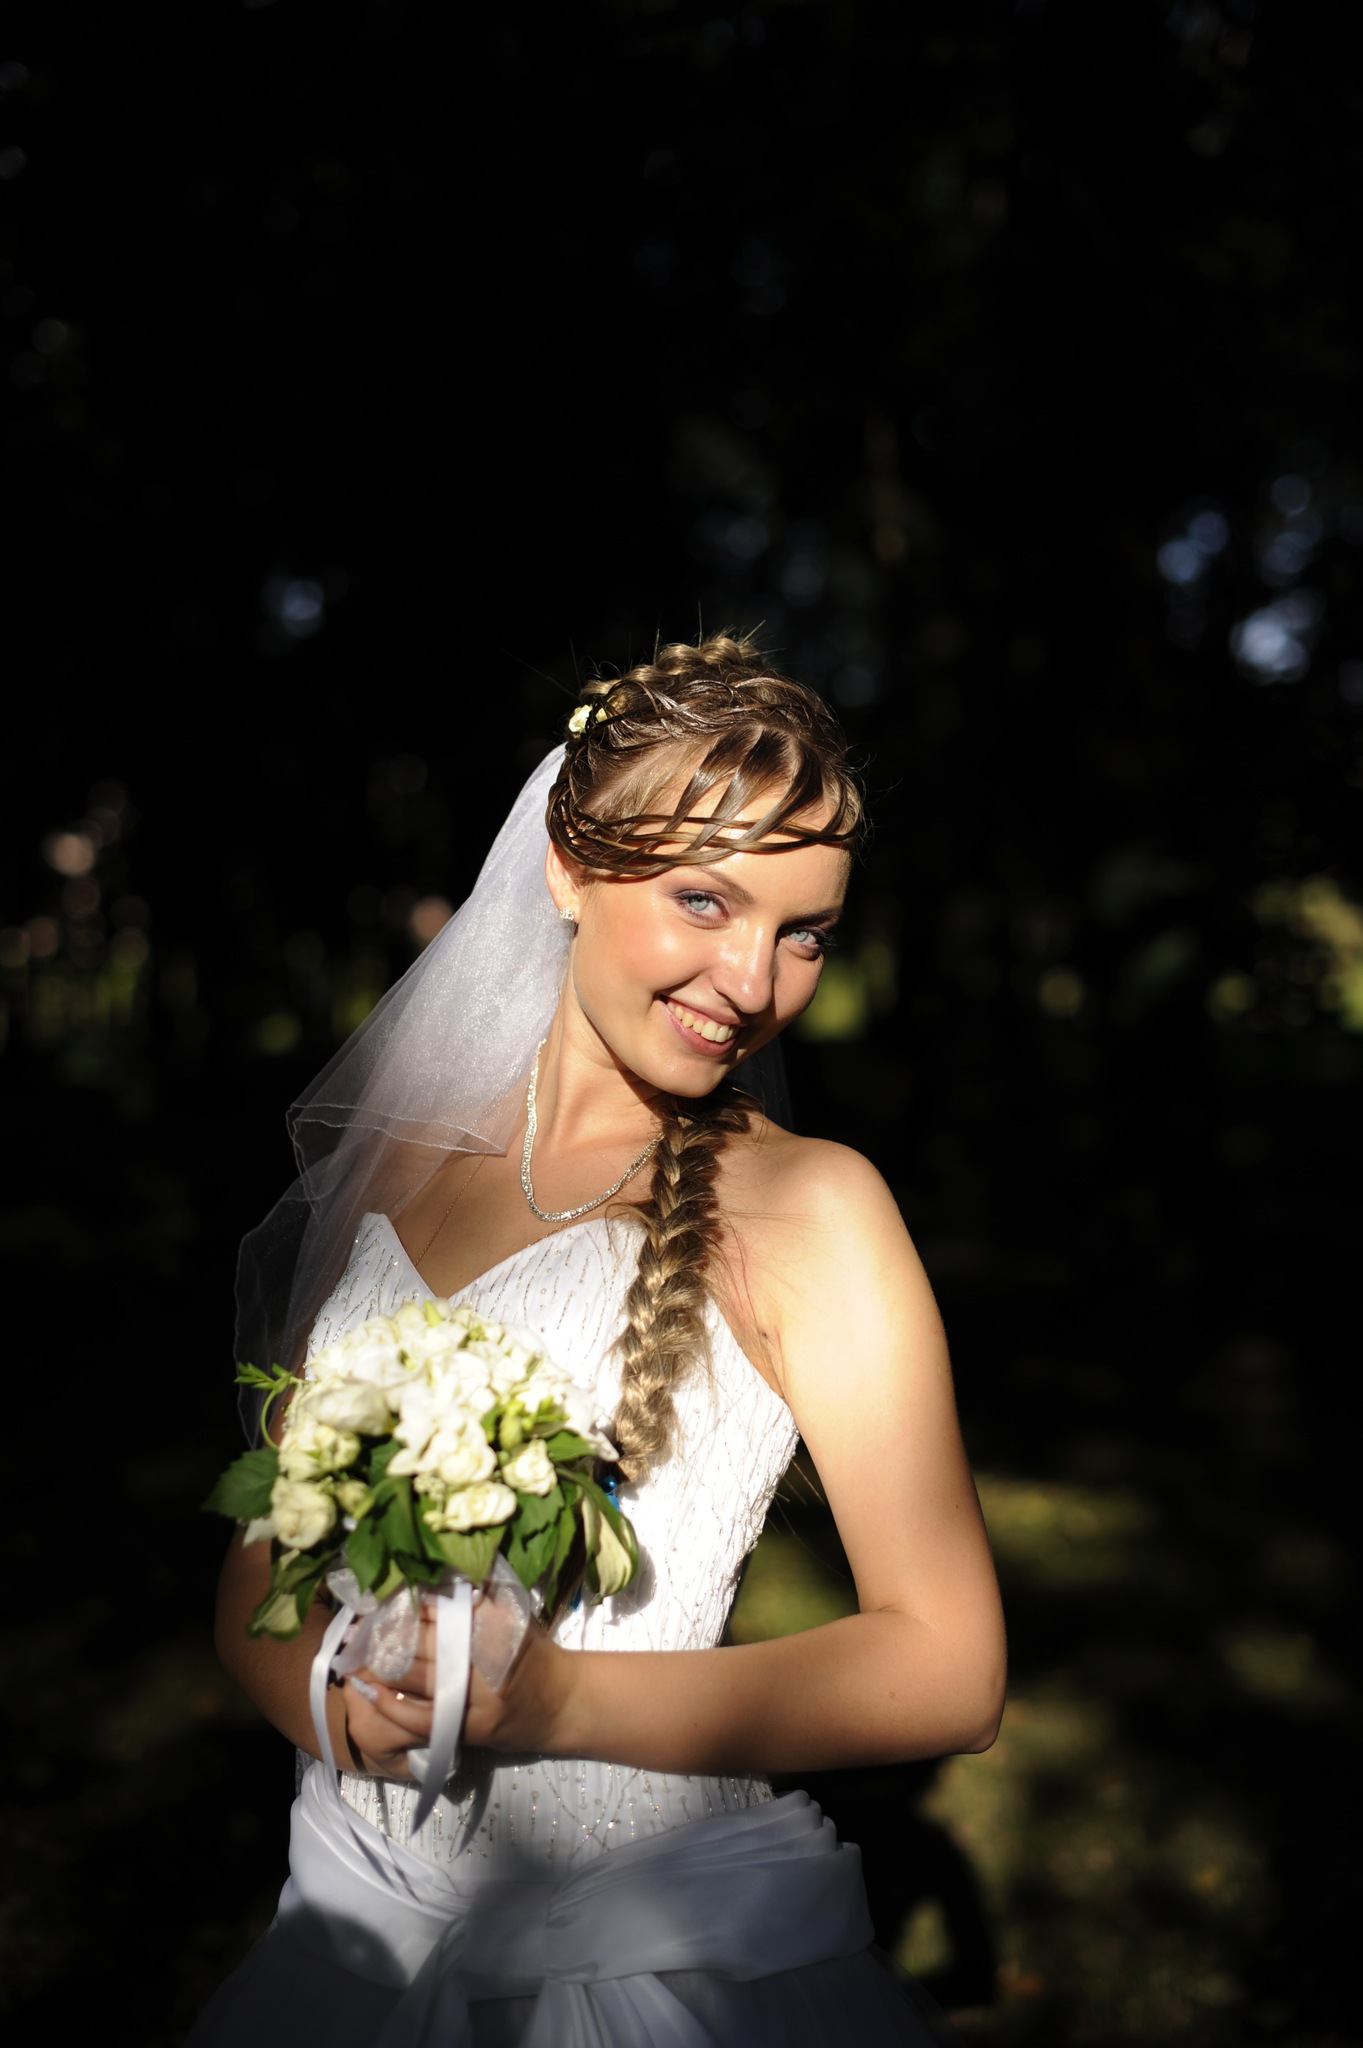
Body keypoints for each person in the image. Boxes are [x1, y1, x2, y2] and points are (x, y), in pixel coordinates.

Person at [193, 632, 1006, 2046]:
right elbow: (257, 1563)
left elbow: (950, 1666)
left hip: (651, 1972)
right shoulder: (401, 1167)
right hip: (354, 1933)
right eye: (705, 900)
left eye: (804, 932)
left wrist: (554, 1700)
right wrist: (334, 1703)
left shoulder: (813, 1208)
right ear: (568, 868)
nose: (751, 980)